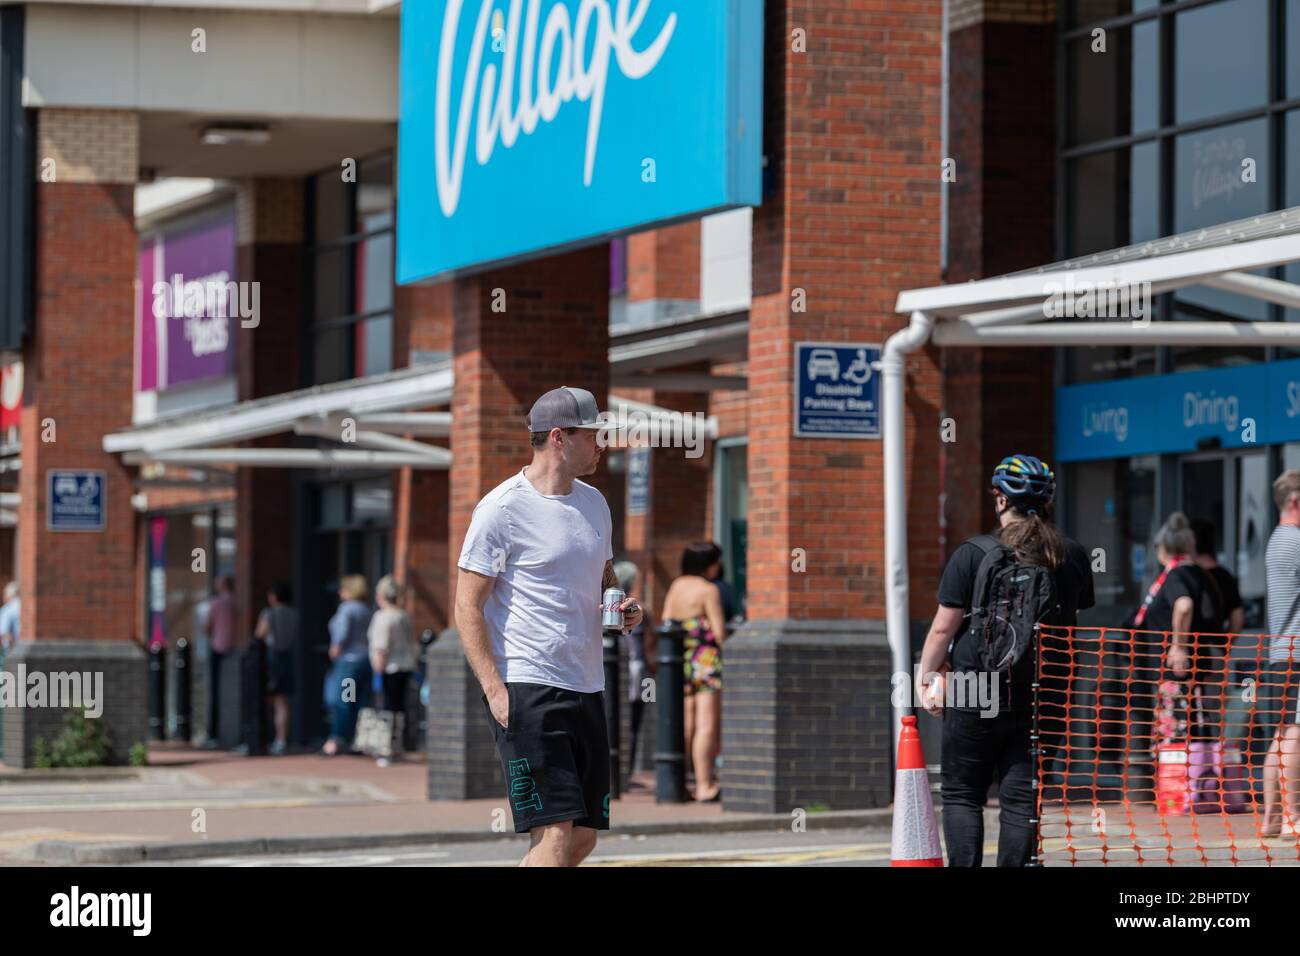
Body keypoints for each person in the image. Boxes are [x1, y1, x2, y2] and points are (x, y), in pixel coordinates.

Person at [456, 386, 641, 867]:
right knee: (555, 834)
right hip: (529, 686)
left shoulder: (595, 503)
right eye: (594, 434)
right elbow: (466, 605)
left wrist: (621, 607)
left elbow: (605, 577)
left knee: (582, 838)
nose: (603, 443)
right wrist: (496, 690)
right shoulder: (501, 510)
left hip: (586, 686)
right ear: (559, 438)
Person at [918, 454, 1094, 867]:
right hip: (1044, 691)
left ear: (999, 498)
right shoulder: (1071, 555)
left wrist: (926, 677)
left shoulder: (973, 553)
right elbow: (1072, 622)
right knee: (1021, 799)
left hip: (975, 687)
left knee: (963, 794)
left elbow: (943, 629)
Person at [1130, 513, 1225, 743]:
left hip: (1176, 671)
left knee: (1176, 740)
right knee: (1200, 738)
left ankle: (1177, 781)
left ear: (1164, 547)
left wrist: (1178, 646)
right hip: (1200, 669)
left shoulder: (1175, 575)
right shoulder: (1199, 573)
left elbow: (1184, 605)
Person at [660, 542, 727, 802]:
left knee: (685, 724)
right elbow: (719, 632)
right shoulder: (708, 590)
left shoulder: (677, 586)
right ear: (709, 564)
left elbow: (667, 622)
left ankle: (678, 783)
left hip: (679, 659)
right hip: (705, 659)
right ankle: (705, 784)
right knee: (706, 725)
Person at [1263, 470, 1300, 838]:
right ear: (1295, 502)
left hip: (1281, 649)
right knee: (1293, 732)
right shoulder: (1294, 540)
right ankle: (1292, 816)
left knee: (1280, 733)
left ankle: (1273, 818)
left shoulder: (1277, 539)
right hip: (1296, 649)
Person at [368, 575, 416, 767]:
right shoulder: (403, 615)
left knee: (386, 709)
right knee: (399, 708)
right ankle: (398, 746)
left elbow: (381, 647)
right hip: (405, 667)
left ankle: (387, 748)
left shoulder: (382, 617)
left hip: (388, 668)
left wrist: (377, 671)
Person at [322, 574, 372, 756]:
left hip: (348, 663)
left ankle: (337, 738)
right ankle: (356, 739)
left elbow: (341, 634)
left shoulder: (347, 609)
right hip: (365, 662)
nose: (340, 592)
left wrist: (335, 649)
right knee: (358, 701)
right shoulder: (367, 609)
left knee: (343, 701)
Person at [613, 559, 654, 776]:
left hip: (632, 671)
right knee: (633, 718)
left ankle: (628, 769)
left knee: (635, 716)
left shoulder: (637, 608)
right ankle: (626, 769)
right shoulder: (637, 608)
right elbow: (650, 643)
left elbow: (650, 642)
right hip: (632, 669)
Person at [254, 581, 299, 755]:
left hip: (271, 657)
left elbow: (259, 635)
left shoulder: (269, 613)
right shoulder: (294, 614)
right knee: (282, 702)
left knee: (267, 699)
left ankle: (264, 737)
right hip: (287, 656)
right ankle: (281, 739)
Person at [1191, 519, 1245, 634]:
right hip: (1215, 646)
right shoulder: (1226, 577)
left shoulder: (1188, 577)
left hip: (1191, 647)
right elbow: (1237, 619)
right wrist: (1224, 645)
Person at [202, 575, 237, 748]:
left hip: (218, 648)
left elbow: (206, 627)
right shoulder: (237, 604)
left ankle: (213, 733)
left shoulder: (216, 604)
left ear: (222, 585)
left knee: (215, 692)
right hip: (235, 651)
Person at [0, 581, 18, 649]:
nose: (3, 597)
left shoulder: (7, 609)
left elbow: (3, 631)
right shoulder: (23, 606)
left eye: (4, 594)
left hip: (10, 648)